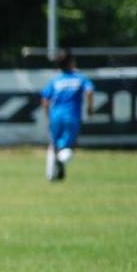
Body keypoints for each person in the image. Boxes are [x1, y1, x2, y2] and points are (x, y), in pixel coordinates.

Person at [41, 50, 95, 182]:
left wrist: (48, 116)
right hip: (71, 116)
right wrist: (89, 108)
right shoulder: (79, 78)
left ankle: (52, 175)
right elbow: (89, 92)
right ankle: (59, 161)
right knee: (68, 147)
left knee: (54, 144)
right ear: (71, 63)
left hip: (55, 115)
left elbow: (45, 100)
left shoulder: (56, 80)